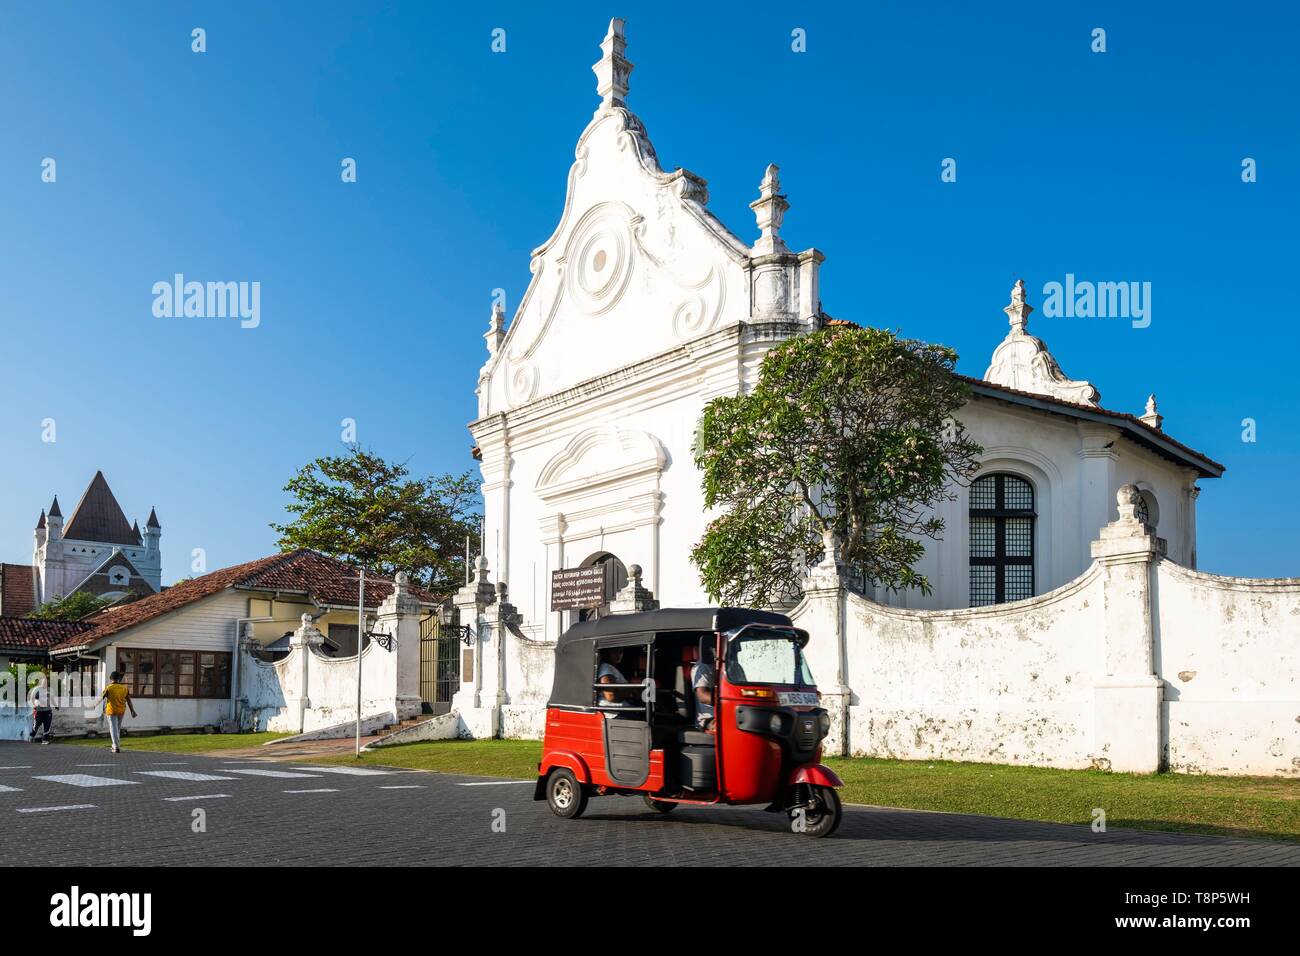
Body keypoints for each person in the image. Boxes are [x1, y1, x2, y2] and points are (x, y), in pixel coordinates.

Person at [98, 671, 137, 753]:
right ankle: (115, 745)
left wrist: (95, 705)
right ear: (119, 679)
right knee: (117, 728)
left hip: (111, 711)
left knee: (113, 728)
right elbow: (129, 700)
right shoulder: (124, 688)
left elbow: (101, 697)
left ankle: (116, 747)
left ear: (111, 679)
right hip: (121, 711)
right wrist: (132, 711)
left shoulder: (109, 688)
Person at [692, 644, 716, 731]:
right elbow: (703, 696)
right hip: (710, 719)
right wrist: (728, 703)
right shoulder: (702, 666)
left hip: (727, 714)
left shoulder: (730, 666)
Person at [30, 674, 53, 745]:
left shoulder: (49, 690)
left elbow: (52, 698)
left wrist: (55, 706)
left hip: (48, 711)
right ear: (41, 682)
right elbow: (32, 698)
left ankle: (45, 740)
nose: (45, 683)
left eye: (46, 682)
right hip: (39, 711)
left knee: (47, 725)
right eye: (43, 682)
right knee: (36, 725)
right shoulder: (36, 689)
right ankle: (31, 736)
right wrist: (34, 705)